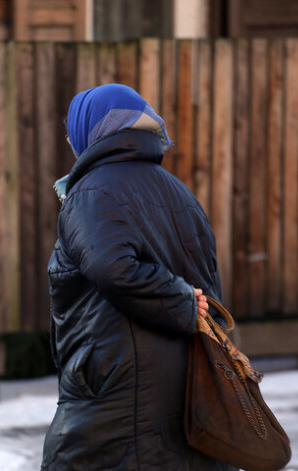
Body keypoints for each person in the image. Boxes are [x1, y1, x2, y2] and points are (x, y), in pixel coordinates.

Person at [41, 84, 237, 471]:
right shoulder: (180, 193)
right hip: (185, 389)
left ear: (92, 131)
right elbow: (209, 287)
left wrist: (180, 300)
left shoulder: (92, 192)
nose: (70, 141)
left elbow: (115, 269)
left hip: (115, 391)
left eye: (72, 132)